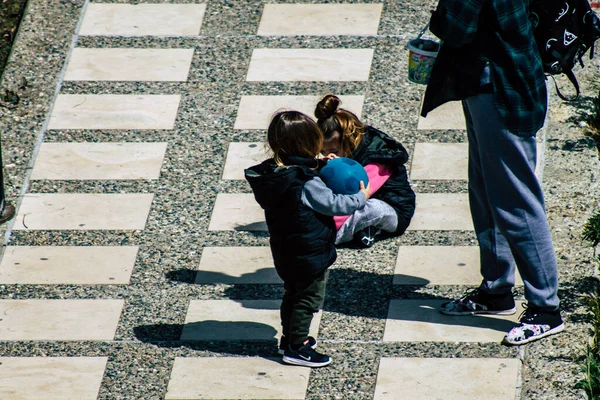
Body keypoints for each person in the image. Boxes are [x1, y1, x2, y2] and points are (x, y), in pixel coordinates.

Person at [421, 0, 564, 345]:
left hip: (501, 88)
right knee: (486, 190)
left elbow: (458, 26)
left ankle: (546, 308)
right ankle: (497, 290)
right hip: (490, 80)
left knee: (515, 200)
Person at [244, 110, 371, 367]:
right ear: (308, 145)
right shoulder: (306, 184)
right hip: (309, 252)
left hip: (286, 249)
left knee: (292, 294)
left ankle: (290, 338)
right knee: (308, 299)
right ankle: (297, 347)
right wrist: (362, 197)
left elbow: (299, 167)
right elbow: (335, 204)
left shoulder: (276, 173)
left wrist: (321, 163)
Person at [315, 94, 415, 247]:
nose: (329, 155)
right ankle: (364, 230)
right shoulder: (342, 156)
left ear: (350, 139)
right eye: (323, 151)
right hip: (357, 199)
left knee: (372, 209)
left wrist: (323, 230)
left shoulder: (377, 159)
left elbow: (358, 197)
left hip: (394, 210)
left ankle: (333, 237)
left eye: (334, 150)